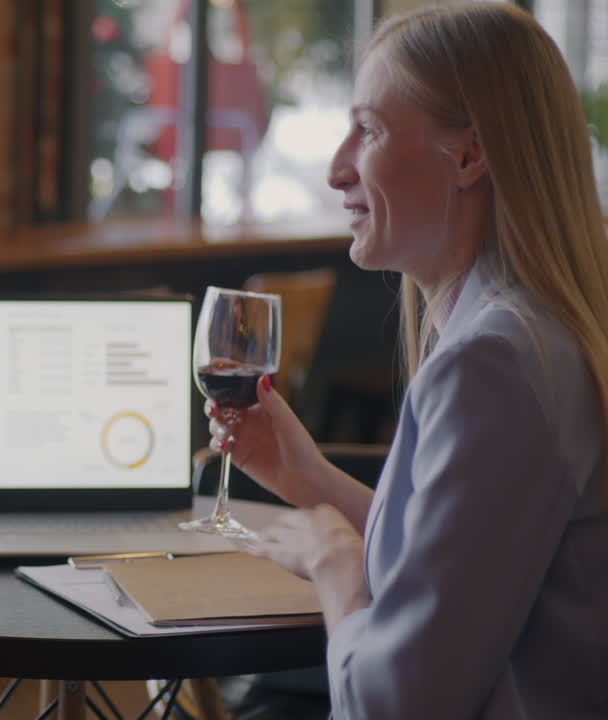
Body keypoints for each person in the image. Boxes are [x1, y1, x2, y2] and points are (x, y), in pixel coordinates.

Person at [208, 4, 608, 718]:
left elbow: (396, 705)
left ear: (468, 156)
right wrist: (311, 482)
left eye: (367, 130)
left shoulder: (495, 363)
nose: (336, 170)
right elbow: (466, 568)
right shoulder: (522, 336)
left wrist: (333, 564)